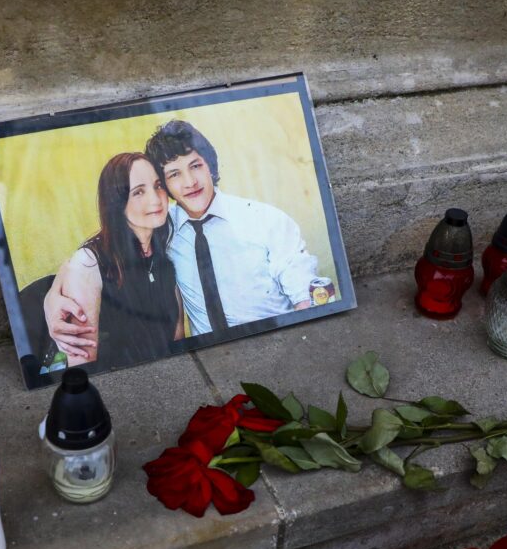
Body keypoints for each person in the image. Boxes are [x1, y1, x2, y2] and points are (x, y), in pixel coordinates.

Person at [46, 120, 318, 354]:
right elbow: (100, 248)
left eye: (196, 166)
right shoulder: (162, 226)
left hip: (275, 341)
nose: (190, 182)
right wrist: (53, 298)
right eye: (174, 174)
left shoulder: (264, 219)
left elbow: (304, 290)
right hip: (212, 353)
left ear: (210, 166)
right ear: (164, 185)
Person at [46, 152, 184, 368]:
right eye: (138, 192)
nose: (155, 199)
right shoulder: (89, 263)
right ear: (117, 203)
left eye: (158, 186)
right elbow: (82, 366)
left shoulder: (166, 248)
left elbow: (178, 343)